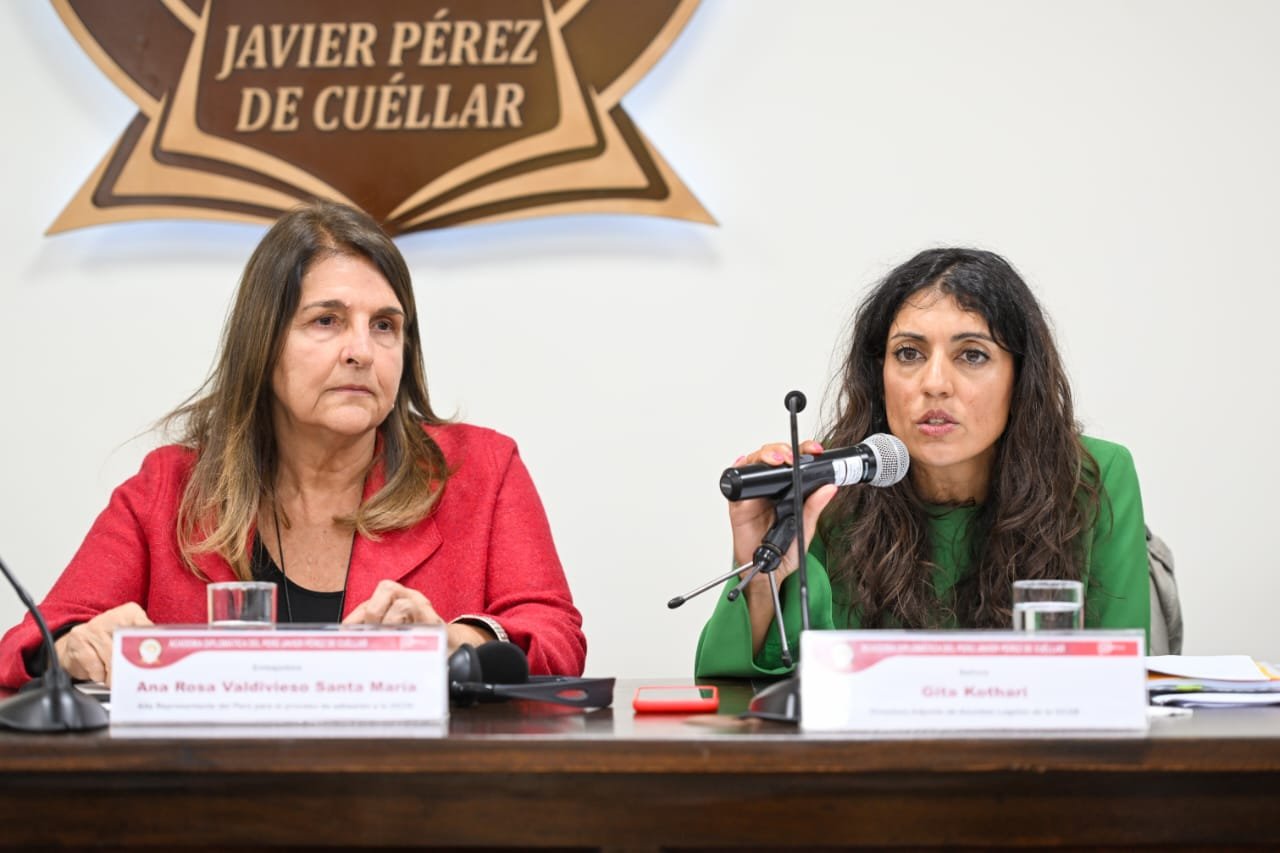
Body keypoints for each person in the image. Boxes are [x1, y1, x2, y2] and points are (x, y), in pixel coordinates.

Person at [0, 200, 585, 687]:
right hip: (215, 804)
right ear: (264, 344)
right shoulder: (170, 488)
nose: (361, 350)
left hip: (419, 801)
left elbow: (556, 636)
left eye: (385, 325)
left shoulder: (479, 470)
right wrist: (72, 648)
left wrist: (456, 641)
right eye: (326, 320)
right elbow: (27, 644)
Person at [695, 248, 1149, 677]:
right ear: (879, 375)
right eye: (909, 354)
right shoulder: (830, 483)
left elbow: (1120, 680)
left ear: (1021, 376)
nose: (934, 383)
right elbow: (740, 698)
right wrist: (762, 575)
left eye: (972, 355)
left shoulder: (1095, 475)